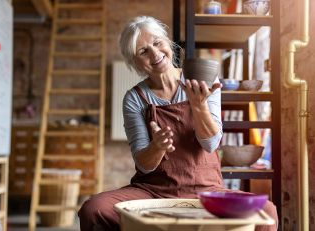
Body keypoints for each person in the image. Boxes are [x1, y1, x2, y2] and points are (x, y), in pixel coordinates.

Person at [78, 15, 278, 231]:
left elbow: (211, 144)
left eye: (157, 43)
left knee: (267, 211)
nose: (155, 54)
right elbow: (144, 164)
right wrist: (157, 147)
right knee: (94, 209)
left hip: (206, 189)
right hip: (154, 191)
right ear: (134, 63)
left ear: (167, 42)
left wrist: (199, 106)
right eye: (143, 51)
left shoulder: (203, 79)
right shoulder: (135, 98)